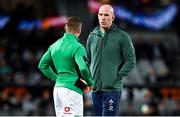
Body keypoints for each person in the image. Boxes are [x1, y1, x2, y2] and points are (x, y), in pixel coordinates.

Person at [38, 16, 94, 117]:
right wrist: (90, 82)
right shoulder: (78, 47)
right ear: (79, 30)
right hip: (71, 90)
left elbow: (42, 65)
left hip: (58, 90)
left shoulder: (54, 46)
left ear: (65, 28)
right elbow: (82, 68)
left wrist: (57, 78)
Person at [86, 4, 136, 116]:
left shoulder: (122, 37)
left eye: (106, 15)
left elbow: (131, 60)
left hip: (112, 90)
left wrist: (117, 76)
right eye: (100, 14)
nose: (103, 18)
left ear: (113, 17)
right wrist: (88, 78)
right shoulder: (92, 37)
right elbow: (87, 60)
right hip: (95, 90)